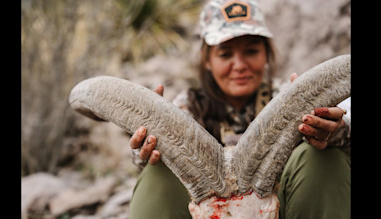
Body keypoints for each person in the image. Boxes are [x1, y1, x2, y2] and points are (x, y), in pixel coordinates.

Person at [128, 0, 351, 218]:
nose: (240, 65)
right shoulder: (185, 108)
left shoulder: (291, 99)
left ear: (266, 54)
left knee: (320, 155)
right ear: (207, 60)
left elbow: (340, 137)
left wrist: (334, 132)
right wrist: (147, 147)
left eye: (251, 51)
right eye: (225, 54)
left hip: (278, 210)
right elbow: (143, 161)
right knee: (159, 171)